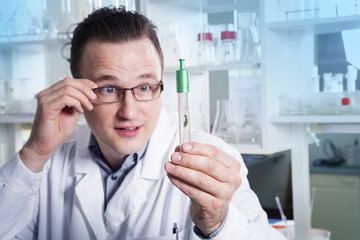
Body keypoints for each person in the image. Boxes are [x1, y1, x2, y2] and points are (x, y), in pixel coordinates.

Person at [0, 7, 285, 240]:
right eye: (109, 89)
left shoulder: (209, 158)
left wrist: (218, 222)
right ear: (76, 90)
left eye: (145, 87)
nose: (130, 111)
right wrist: (35, 153)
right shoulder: (47, 162)